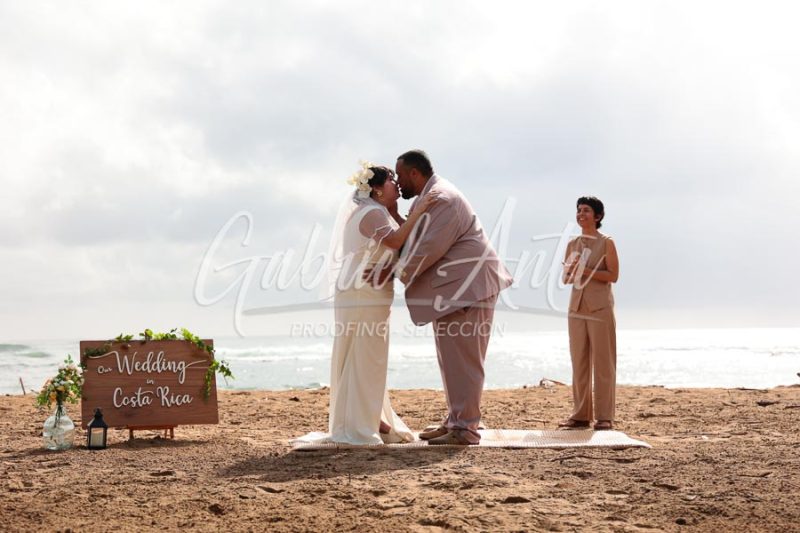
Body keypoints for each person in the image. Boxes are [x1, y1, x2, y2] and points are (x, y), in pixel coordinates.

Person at [393, 150, 513, 445]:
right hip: (454, 290)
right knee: (451, 358)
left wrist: (396, 272)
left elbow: (428, 248)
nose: (397, 182)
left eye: (400, 175)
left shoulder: (442, 199)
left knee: (465, 358)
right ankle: (456, 419)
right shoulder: (430, 197)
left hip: (470, 288)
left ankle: (465, 428)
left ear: (414, 174)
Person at [325, 162, 438, 445]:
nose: (396, 183)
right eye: (390, 179)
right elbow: (397, 240)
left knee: (364, 354)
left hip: (366, 290)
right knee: (366, 354)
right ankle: (365, 421)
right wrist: (420, 211)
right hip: (364, 291)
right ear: (375, 189)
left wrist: (397, 214)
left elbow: (404, 240)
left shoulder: (378, 213)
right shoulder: (372, 213)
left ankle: (370, 416)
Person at [559, 196, 619, 431]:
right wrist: (572, 271)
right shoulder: (572, 244)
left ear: (598, 216)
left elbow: (612, 275)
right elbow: (565, 278)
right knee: (579, 362)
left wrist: (587, 270)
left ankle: (604, 416)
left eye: (586, 210)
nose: (581, 214)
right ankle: (581, 414)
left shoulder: (607, 243)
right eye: (578, 210)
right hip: (576, 308)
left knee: (604, 362)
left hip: (600, 308)